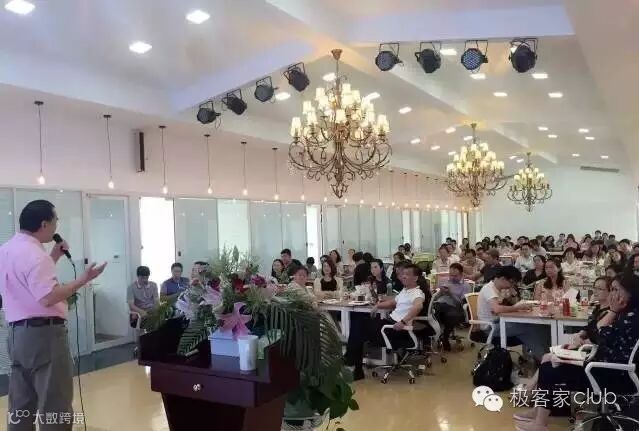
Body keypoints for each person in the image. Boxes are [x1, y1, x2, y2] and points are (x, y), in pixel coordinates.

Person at [0, 200, 106, 430]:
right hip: (44, 336)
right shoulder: (35, 255)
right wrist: (83, 279)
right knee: (55, 405)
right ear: (44, 224)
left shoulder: (6, 250)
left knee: (21, 404)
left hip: (17, 335)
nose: (57, 225)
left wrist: (53, 257)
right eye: (56, 220)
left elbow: (27, 283)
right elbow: (47, 297)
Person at [514, 274, 639, 430]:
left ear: (630, 292)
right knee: (549, 364)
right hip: (604, 366)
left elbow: (600, 335)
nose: (612, 294)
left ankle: (539, 422)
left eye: (615, 290)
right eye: (611, 289)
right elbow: (597, 333)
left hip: (614, 374)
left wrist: (612, 311)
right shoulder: (626, 313)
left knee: (549, 370)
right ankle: (539, 416)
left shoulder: (631, 318)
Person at [345, 264, 429, 380]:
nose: (403, 276)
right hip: (388, 323)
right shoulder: (405, 290)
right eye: (403, 274)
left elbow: (418, 306)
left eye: (407, 274)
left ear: (415, 278)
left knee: (358, 328)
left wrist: (403, 322)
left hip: (394, 329)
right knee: (358, 323)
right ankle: (354, 364)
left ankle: (352, 362)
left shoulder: (417, 293)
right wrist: (377, 306)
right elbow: (393, 303)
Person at [476, 266, 549, 359]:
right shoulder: (489, 289)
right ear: (503, 279)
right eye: (511, 282)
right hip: (491, 327)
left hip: (500, 322)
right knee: (529, 327)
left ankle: (543, 355)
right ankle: (543, 357)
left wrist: (513, 293)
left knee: (537, 326)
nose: (511, 285)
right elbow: (497, 309)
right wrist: (516, 308)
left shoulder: (500, 289)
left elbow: (515, 301)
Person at [435, 263, 471, 351]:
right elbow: (435, 298)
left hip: (456, 308)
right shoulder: (444, 282)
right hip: (440, 305)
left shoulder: (465, 286)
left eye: (455, 276)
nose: (452, 278)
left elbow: (461, 303)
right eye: (451, 275)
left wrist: (450, 293)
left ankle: (445, 337)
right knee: (434, 309)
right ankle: (438, 336)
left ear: (461, 274)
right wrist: (440, 292)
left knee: (450, 315)